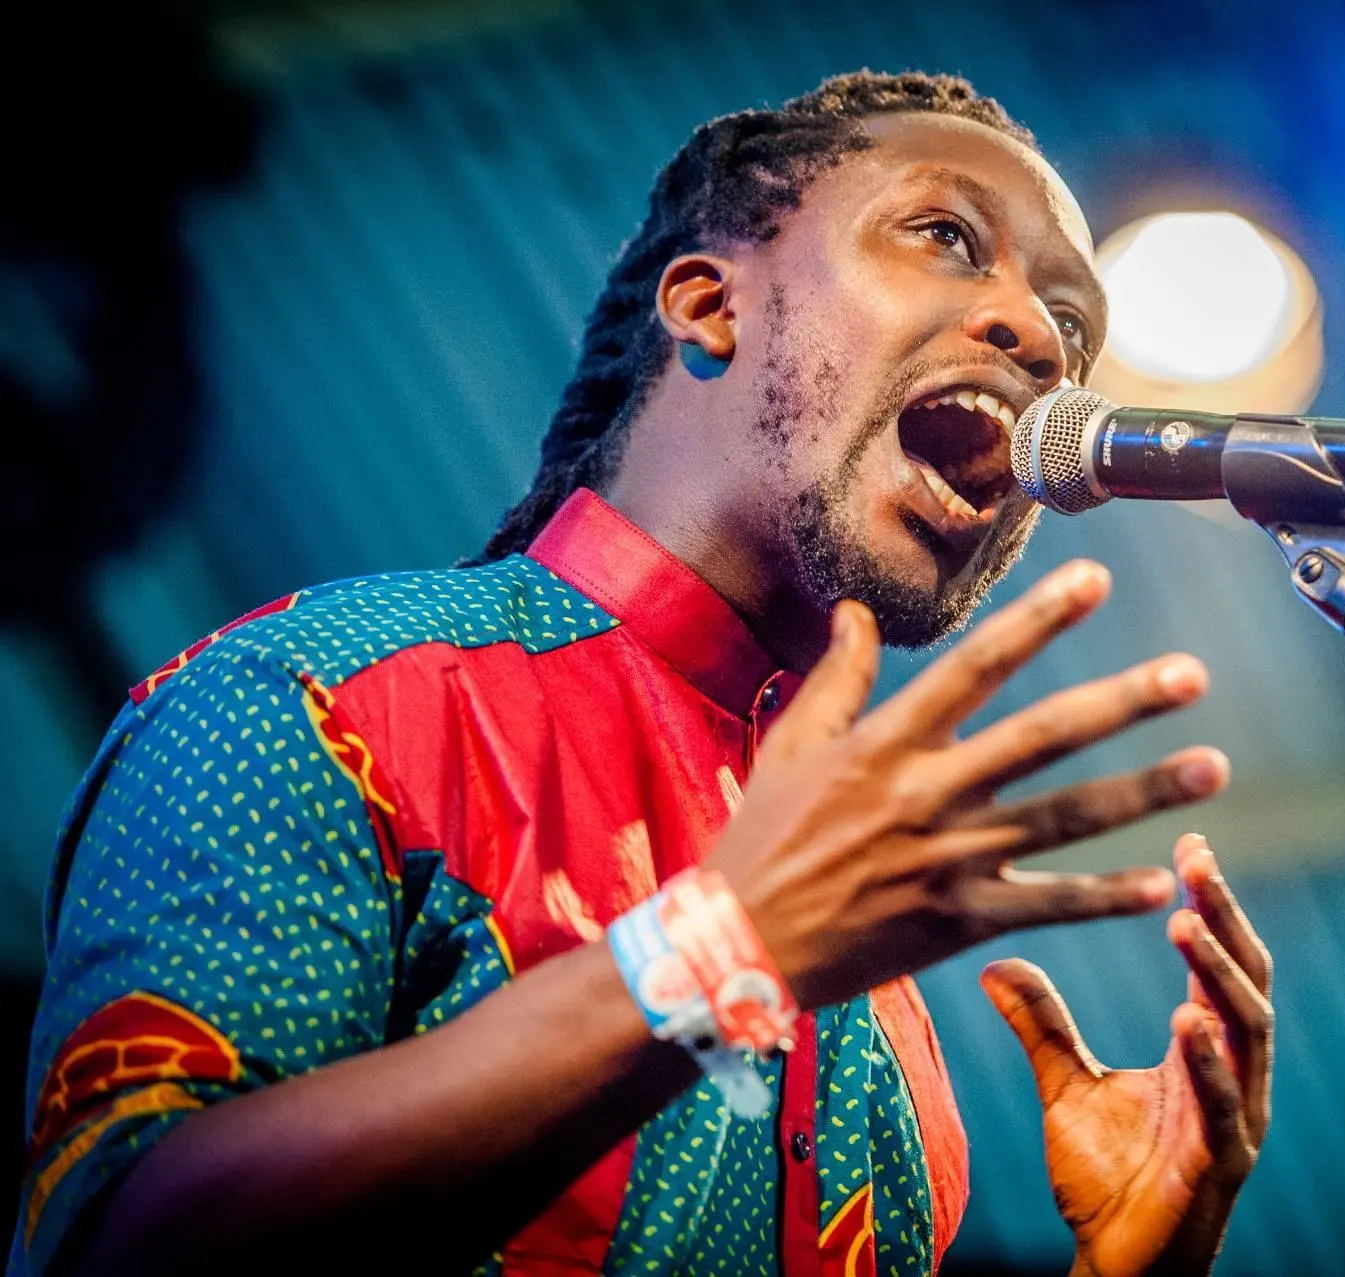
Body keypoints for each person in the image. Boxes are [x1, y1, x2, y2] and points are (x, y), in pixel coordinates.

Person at [14, 71, 1274, 1276]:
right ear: (709, 306)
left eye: (1071, 329)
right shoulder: (325, 694)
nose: (1038, 342)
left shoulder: (889, 1035)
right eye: (946, 235)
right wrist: (716, 957)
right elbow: (128, 1243)